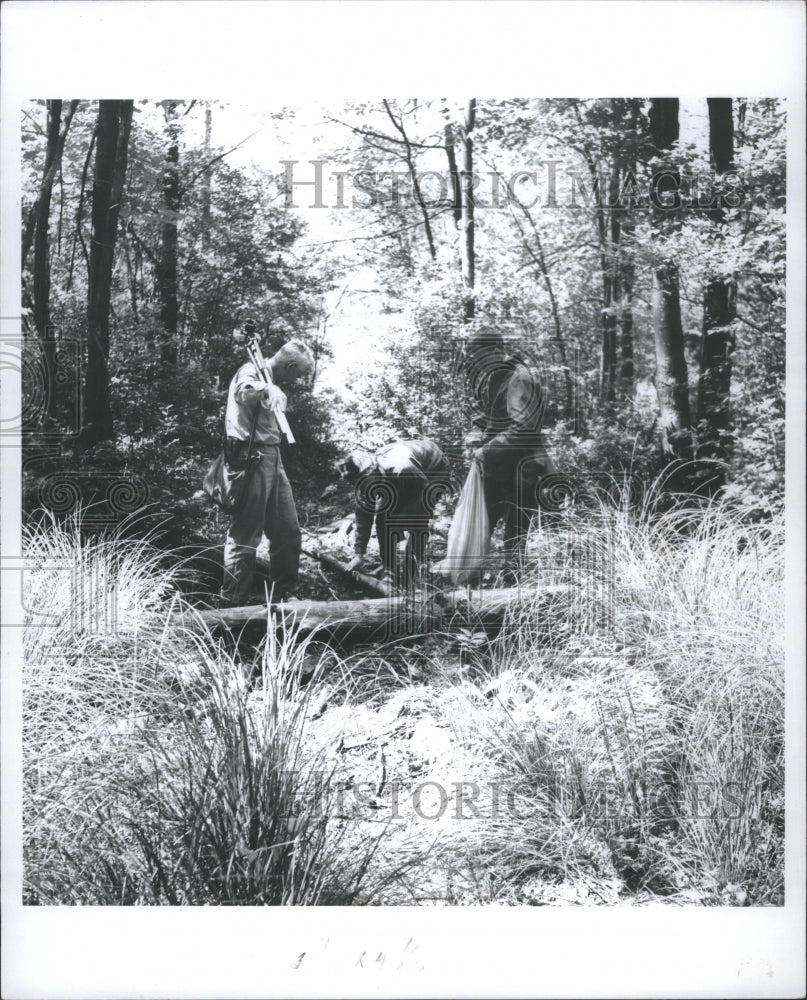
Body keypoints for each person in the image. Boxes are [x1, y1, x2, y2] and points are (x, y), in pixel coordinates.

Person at [220, 339, 314, 606]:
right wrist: (266, 388)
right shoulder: (251, 371)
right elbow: (243, 390)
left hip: (273, 456)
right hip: (250, 457)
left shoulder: (270, 376)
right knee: (245, 536)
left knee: (287, 529)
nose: (299, 380)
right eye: (300, 374)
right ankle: (232, 605)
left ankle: (283, 592)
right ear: (291, 365)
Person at [464, 329, 555, 582]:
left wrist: (486, 450)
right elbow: (510, 420)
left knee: (514, 536)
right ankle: (471, 590)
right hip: (500, 468)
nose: (473, 361)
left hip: (519, 470)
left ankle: (511, 601)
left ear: (493, 350)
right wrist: (486, 423)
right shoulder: (500, 377)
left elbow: (524, 429)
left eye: (476, 355)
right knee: (482, 524)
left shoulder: (518, 377)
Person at [341, 438, 453, 587]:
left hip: (433, 469)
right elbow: (363, 516)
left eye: (367, 482)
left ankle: (409, 574)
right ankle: (389, 570)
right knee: (383, 520)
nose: (365, 488)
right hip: (398, 475)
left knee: (414, 520)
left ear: (375, 470)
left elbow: (423, 506)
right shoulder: (362, 482)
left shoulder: (403, 468)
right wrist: (359, 555)